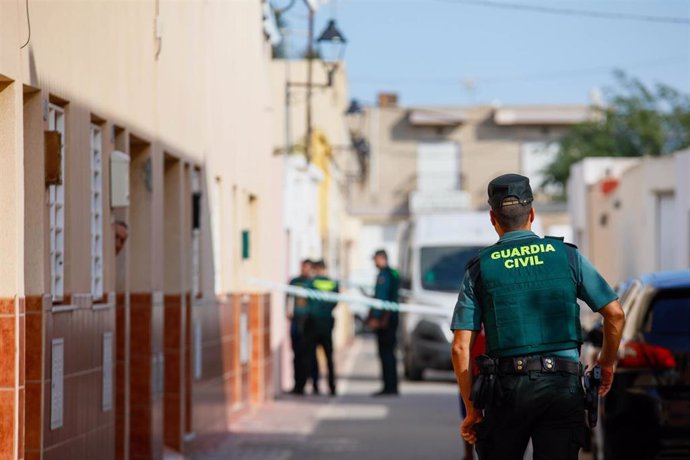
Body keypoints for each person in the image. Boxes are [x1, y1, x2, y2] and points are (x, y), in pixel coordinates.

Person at [451, 173, 625, 460]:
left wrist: (472, 411)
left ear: (492, 218)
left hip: (506, 391)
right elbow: (615, 314)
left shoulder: (478, 269)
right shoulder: (567, 257)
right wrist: (606, 364)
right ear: (531, 213)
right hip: (562, 387)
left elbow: (460, 347)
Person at [302, 260, 339, 396]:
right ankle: (332, 386)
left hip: (313, 324)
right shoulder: (333, 284)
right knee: (329, 357)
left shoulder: (311, 283)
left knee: (313, 357)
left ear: (317, 269)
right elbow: (335, 302)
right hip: (327, 323)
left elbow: (306, 301)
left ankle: (316, 385)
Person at [368, 249, 401, 396]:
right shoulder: (393, 273)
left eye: (375, 259)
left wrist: (376, 318)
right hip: (391, 317)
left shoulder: (384, 275)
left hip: (385, 319)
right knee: (389, 353)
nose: (374, 262)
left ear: (382, 259)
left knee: (386, 353)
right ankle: (391, 385)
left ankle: (389, 386)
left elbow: (381, 298)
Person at [287, 259, 319, 395]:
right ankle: (298, 385)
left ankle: (314, 384)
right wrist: (288, 311)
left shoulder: (314, 283)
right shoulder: (295, 282)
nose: (304, 270)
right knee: (297, 355)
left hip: (309, 322)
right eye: (303, 267)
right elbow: (288, 297)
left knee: (310, 355)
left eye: (307, 267)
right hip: (297, 321)